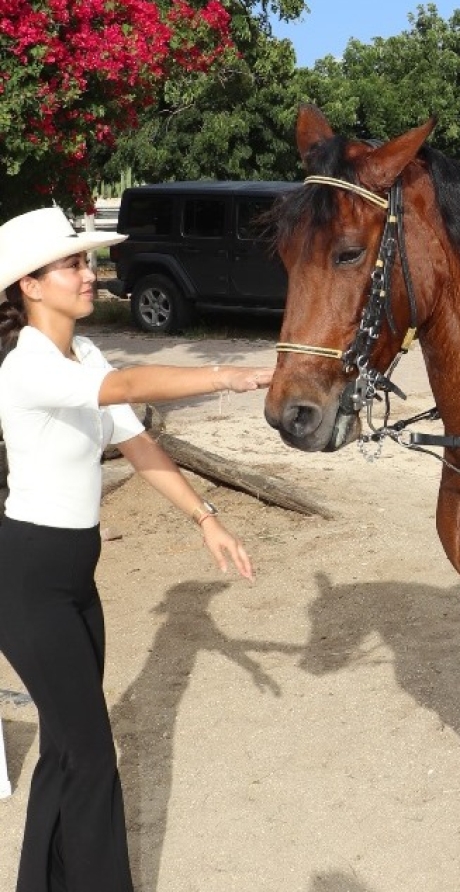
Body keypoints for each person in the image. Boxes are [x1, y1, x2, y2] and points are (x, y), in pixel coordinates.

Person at [0, 206, 275, 892]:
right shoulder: (25, 366)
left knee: (68, 750)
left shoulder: (83, 353)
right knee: (92, 755)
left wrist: (204, 517)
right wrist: (227, 375)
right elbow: (124, 389)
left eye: (87, 262)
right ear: (30, 286)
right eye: (72, 264)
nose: (88, 274)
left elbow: (136, 440)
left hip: (72, 576)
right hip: (27, 578)